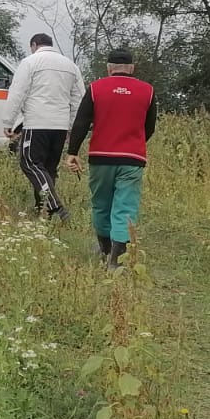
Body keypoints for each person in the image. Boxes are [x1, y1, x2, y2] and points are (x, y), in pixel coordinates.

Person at [66, 48, 157, 269]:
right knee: (125, 206)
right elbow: (149, 127)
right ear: (132, 68)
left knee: (101, 205)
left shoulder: (95, 88)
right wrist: (134, 142)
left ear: (109, 68)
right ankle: (116, 261)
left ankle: (105, 249)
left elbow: (81, 123)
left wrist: (72, 152)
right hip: (132, 158)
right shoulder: (147, 91)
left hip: (100, 157)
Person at [2, 33, 85, 220]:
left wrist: (8, 121)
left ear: (34, 45)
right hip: (60, 126)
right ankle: (42, 210)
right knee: (48, 169)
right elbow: (79, 99)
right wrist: (72, 127)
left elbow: (17, 92)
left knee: (30, 163)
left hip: (37, 123)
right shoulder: (70, 66)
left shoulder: (30, 62)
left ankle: (56, 208)